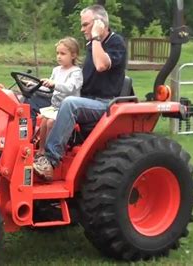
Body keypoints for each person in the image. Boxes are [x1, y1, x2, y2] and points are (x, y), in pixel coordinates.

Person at [33, 5, 127, 180]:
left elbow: (101, 66)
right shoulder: (93, 45)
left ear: (100, 23)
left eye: (85, 25)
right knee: (32, 101)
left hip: (104, 103)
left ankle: (50, 161)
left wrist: (96, 37)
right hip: (87, 99)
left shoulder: (115, 43)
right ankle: (36, 151)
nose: (81, 29)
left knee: (70, 104)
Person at [36, 37, 83, 162]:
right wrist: (35, 86)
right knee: (43, 121)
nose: (59, 56)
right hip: (55, 106)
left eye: (63, 53)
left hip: (68, 109)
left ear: (73, 55)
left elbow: (69, 87)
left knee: (51, 122)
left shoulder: (76, 72)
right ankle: (41, 151)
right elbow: (49, 89)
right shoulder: (56, 70)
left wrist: (53, 84)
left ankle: (51, 153)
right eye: (57, 53)